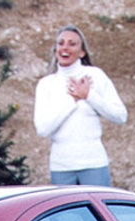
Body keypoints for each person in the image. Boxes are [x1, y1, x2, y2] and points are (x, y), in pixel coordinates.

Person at [33, 24, 128, 186]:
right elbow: (42, 129)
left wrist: (89, 95)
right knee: (66, 213)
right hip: (61, 167)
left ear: (82, 51)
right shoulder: (46, 84)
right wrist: (73, 100)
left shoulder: (96, 76)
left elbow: (120, 116)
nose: (65, 48)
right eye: (61, 43)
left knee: (98, 211)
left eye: (72, 44)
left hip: (94, 164)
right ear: (55, 49)